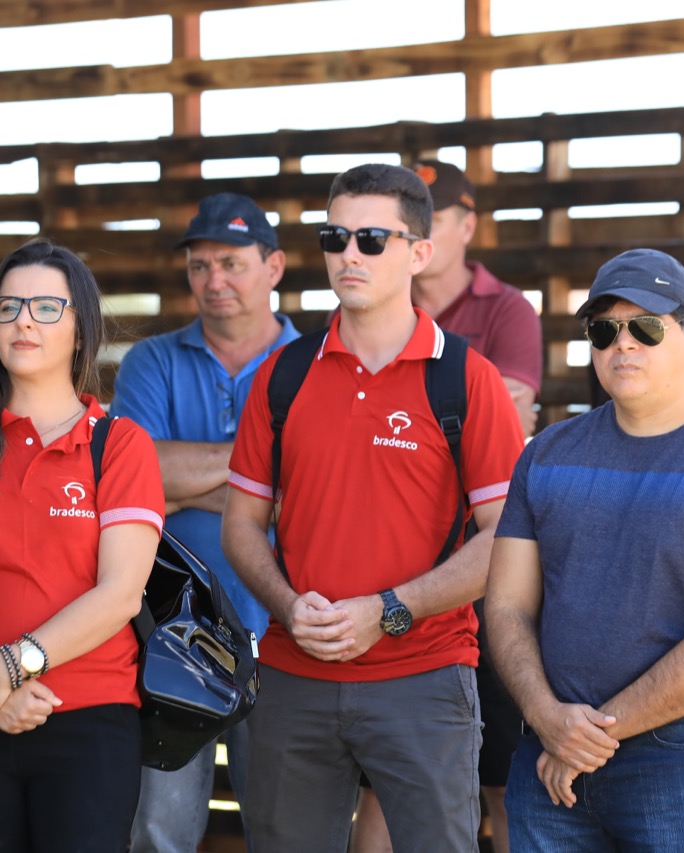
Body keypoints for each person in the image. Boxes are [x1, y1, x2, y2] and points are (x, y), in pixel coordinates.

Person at [222, 163, 524, 852]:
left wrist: (389, 609)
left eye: (370, 238)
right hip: (294, 674)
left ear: (420, 252)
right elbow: (240, 524)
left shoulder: (466, 377)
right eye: (335, 237)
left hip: (424, 677)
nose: (348, 254)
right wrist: (286, 601)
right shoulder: (284, 373)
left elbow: (503, 537)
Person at [484, 248, 684, 852]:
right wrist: (550, 721)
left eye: (646, 327)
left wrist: (586, 737)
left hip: (681, 760)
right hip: (549, 755)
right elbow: (505, 607)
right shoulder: (545, 454)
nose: (623, 344)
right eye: (605, 330)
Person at [0, 240, 165, 852]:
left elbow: (120, 593)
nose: (22, 320)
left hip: (88, 723)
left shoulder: (120, 446)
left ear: (80, 329)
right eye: (8, 305)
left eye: (46, 307)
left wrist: (10, 669)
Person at [110, 192, 299, 851]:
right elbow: (136, 478)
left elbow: (312, 492)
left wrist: (190, 481)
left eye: (232, 262)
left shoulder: (314, 364)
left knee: (288, 833)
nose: (213, 278)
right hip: (169, 632)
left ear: (274, 266)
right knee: (159, 832)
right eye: (199, 264)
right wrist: (260, 473)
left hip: (286, 631)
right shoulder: (152, 361)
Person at [410, 160, 541, 437]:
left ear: (467, 228)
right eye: (406, 220)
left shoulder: (510, 309)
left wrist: (395, 416)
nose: (415, 234)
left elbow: (508, 424)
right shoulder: (361, 307)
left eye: (431, 221)